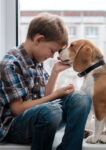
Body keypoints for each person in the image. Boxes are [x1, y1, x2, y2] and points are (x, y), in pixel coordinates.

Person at [0, 13, 92, 150]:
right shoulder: (10, 64)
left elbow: (45, 99)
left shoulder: (37, 60)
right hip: (14, 126)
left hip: (43, 117)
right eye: (52, 50)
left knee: (82, 99)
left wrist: (55, 72)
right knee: (51, 111)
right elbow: (17, 109)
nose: (52, 56)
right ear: (38, 39)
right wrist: (56, 95)